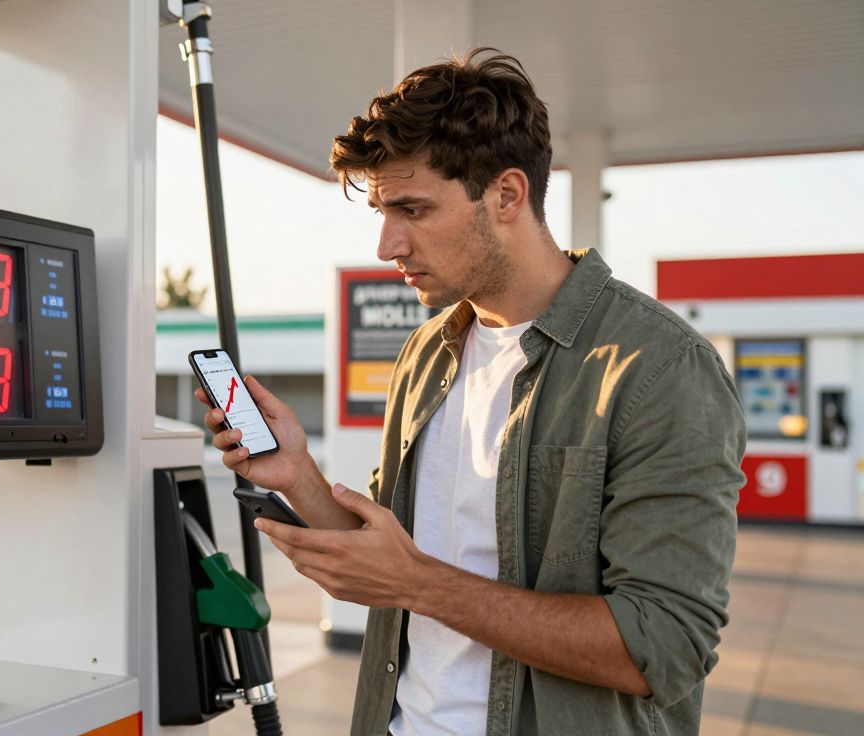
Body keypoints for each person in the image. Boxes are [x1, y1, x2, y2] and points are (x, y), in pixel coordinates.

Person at [196, 48, 746, 735]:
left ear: (508, 195)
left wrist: (418, 584)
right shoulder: (429, 351)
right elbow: (393, 557)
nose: (387, 243)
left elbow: (663, 645)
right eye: (380, 211)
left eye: (413, 209)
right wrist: (299, 477)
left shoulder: (658, 367)